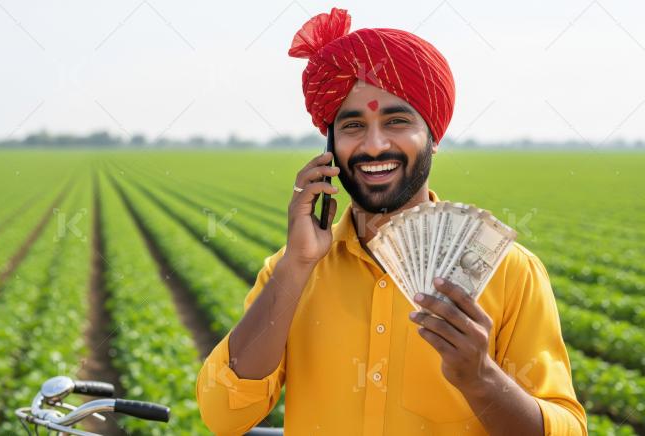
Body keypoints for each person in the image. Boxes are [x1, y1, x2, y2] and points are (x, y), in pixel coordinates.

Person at [196, 7, 587, 435]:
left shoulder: (510, 272)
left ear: (433, 138)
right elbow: (223, 415)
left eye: (397, 121)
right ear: (330, 148)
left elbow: (566, 428)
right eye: (353, 126)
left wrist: (480, 379)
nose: (374, 145)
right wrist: (296, 265)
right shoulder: (290, 271)